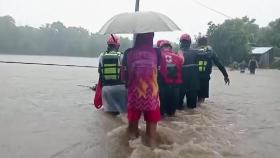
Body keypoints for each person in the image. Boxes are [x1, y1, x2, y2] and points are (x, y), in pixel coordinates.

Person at [122, 33, 160, 146]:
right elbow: (163, 72)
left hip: (134, 97)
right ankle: (153, 153)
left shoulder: (128, 53)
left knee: (132, 133)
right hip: (152, 97)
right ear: (151, 37)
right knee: (152, 134)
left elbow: (123, 77)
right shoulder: (157, 52)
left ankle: (132, 152)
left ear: (137, 37)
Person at [195, 36, 230, 103]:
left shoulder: (194, 51)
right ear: (207, 43)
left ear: (198, 43)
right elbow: (219, 64)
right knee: (201, 101)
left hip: (195, 79)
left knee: (193, 100)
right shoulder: (211, 52)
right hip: (205, 78)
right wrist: (226, 76)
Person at [98, 35, 127, 114]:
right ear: (118, 45)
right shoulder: (122, 56)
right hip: (121, 88)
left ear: (108, 45)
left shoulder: (101, 56)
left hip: (106, 89)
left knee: (109, 115)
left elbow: (100, 72)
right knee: (122, 114)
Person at [158, 40, 183, 116]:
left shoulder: (158, 56)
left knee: (161, 113)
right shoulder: (178, 57)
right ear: (170, 47)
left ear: (161, 48)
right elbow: (182, 62)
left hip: (162, 86)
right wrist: (180, 54)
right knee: (172, 114)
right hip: (175, 87)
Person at [178, 33, 200, 109]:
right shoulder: (197, 52)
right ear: (190, 43)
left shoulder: (177, 53)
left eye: (184, 42)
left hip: (181, 83)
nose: (184, 43)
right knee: (192, 108)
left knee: (179, 107)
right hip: (193, 83)